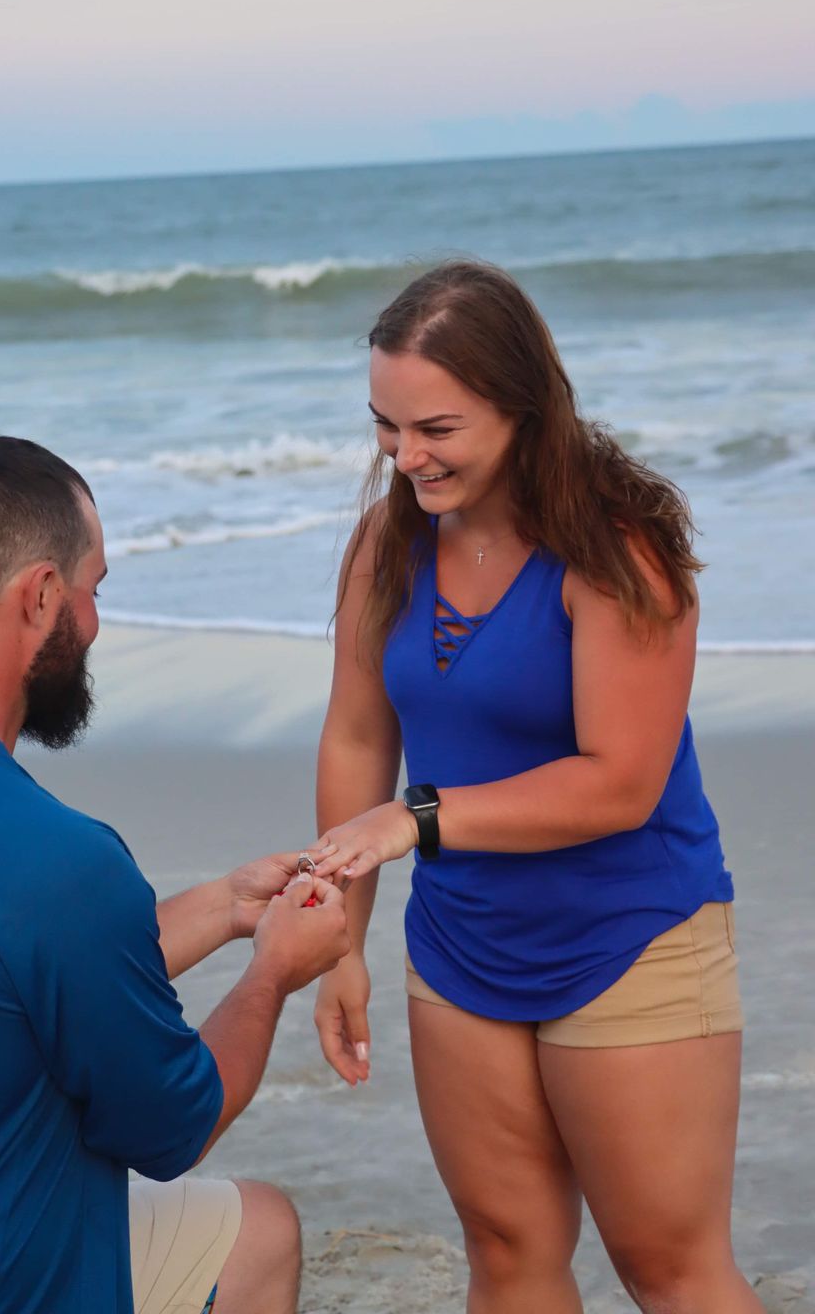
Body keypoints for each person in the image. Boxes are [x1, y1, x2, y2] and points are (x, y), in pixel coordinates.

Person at [0, 435, 349, 1314]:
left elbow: (7, 977)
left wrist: (229, 906)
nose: (93, 624)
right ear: (41, 595)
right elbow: (178, 1128)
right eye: (93, 592)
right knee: (263, 1230)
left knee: (254, 1227)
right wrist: (274, 971)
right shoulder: (57, 859)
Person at [309, 262, 761, 1314]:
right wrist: (341, 936)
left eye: (436, 429)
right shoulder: (385, 541)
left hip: (628, 940)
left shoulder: (618, 545)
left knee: (669, 1269)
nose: (405, 457)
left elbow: (620, 784)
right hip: (461, 948)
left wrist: (417, 821)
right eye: (385, 425)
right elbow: (358, 730)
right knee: (507, 1254)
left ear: (521, 406)